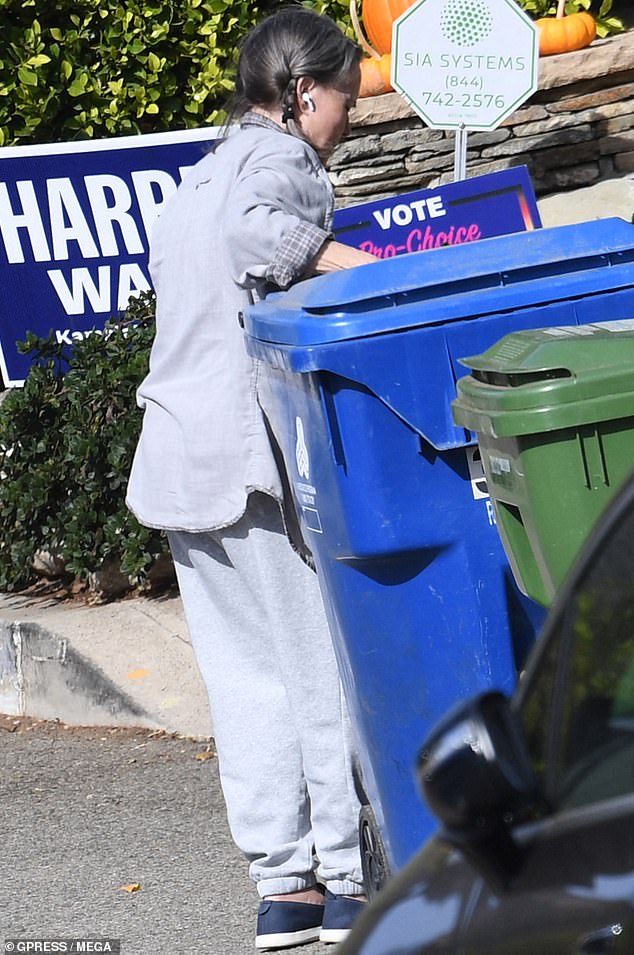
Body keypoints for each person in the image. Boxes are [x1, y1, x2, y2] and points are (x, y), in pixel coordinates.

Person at [126, 7, 378, 950]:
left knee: (247, 682)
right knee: (318, 668)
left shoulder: (198, 174)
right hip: (246, 460)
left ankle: (285, 888)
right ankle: (350, 881)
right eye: (345, 101)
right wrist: (362, 269)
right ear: (302, 93)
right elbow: (256, 232)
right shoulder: (276, 164)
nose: (348, 120)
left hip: (181, 457)